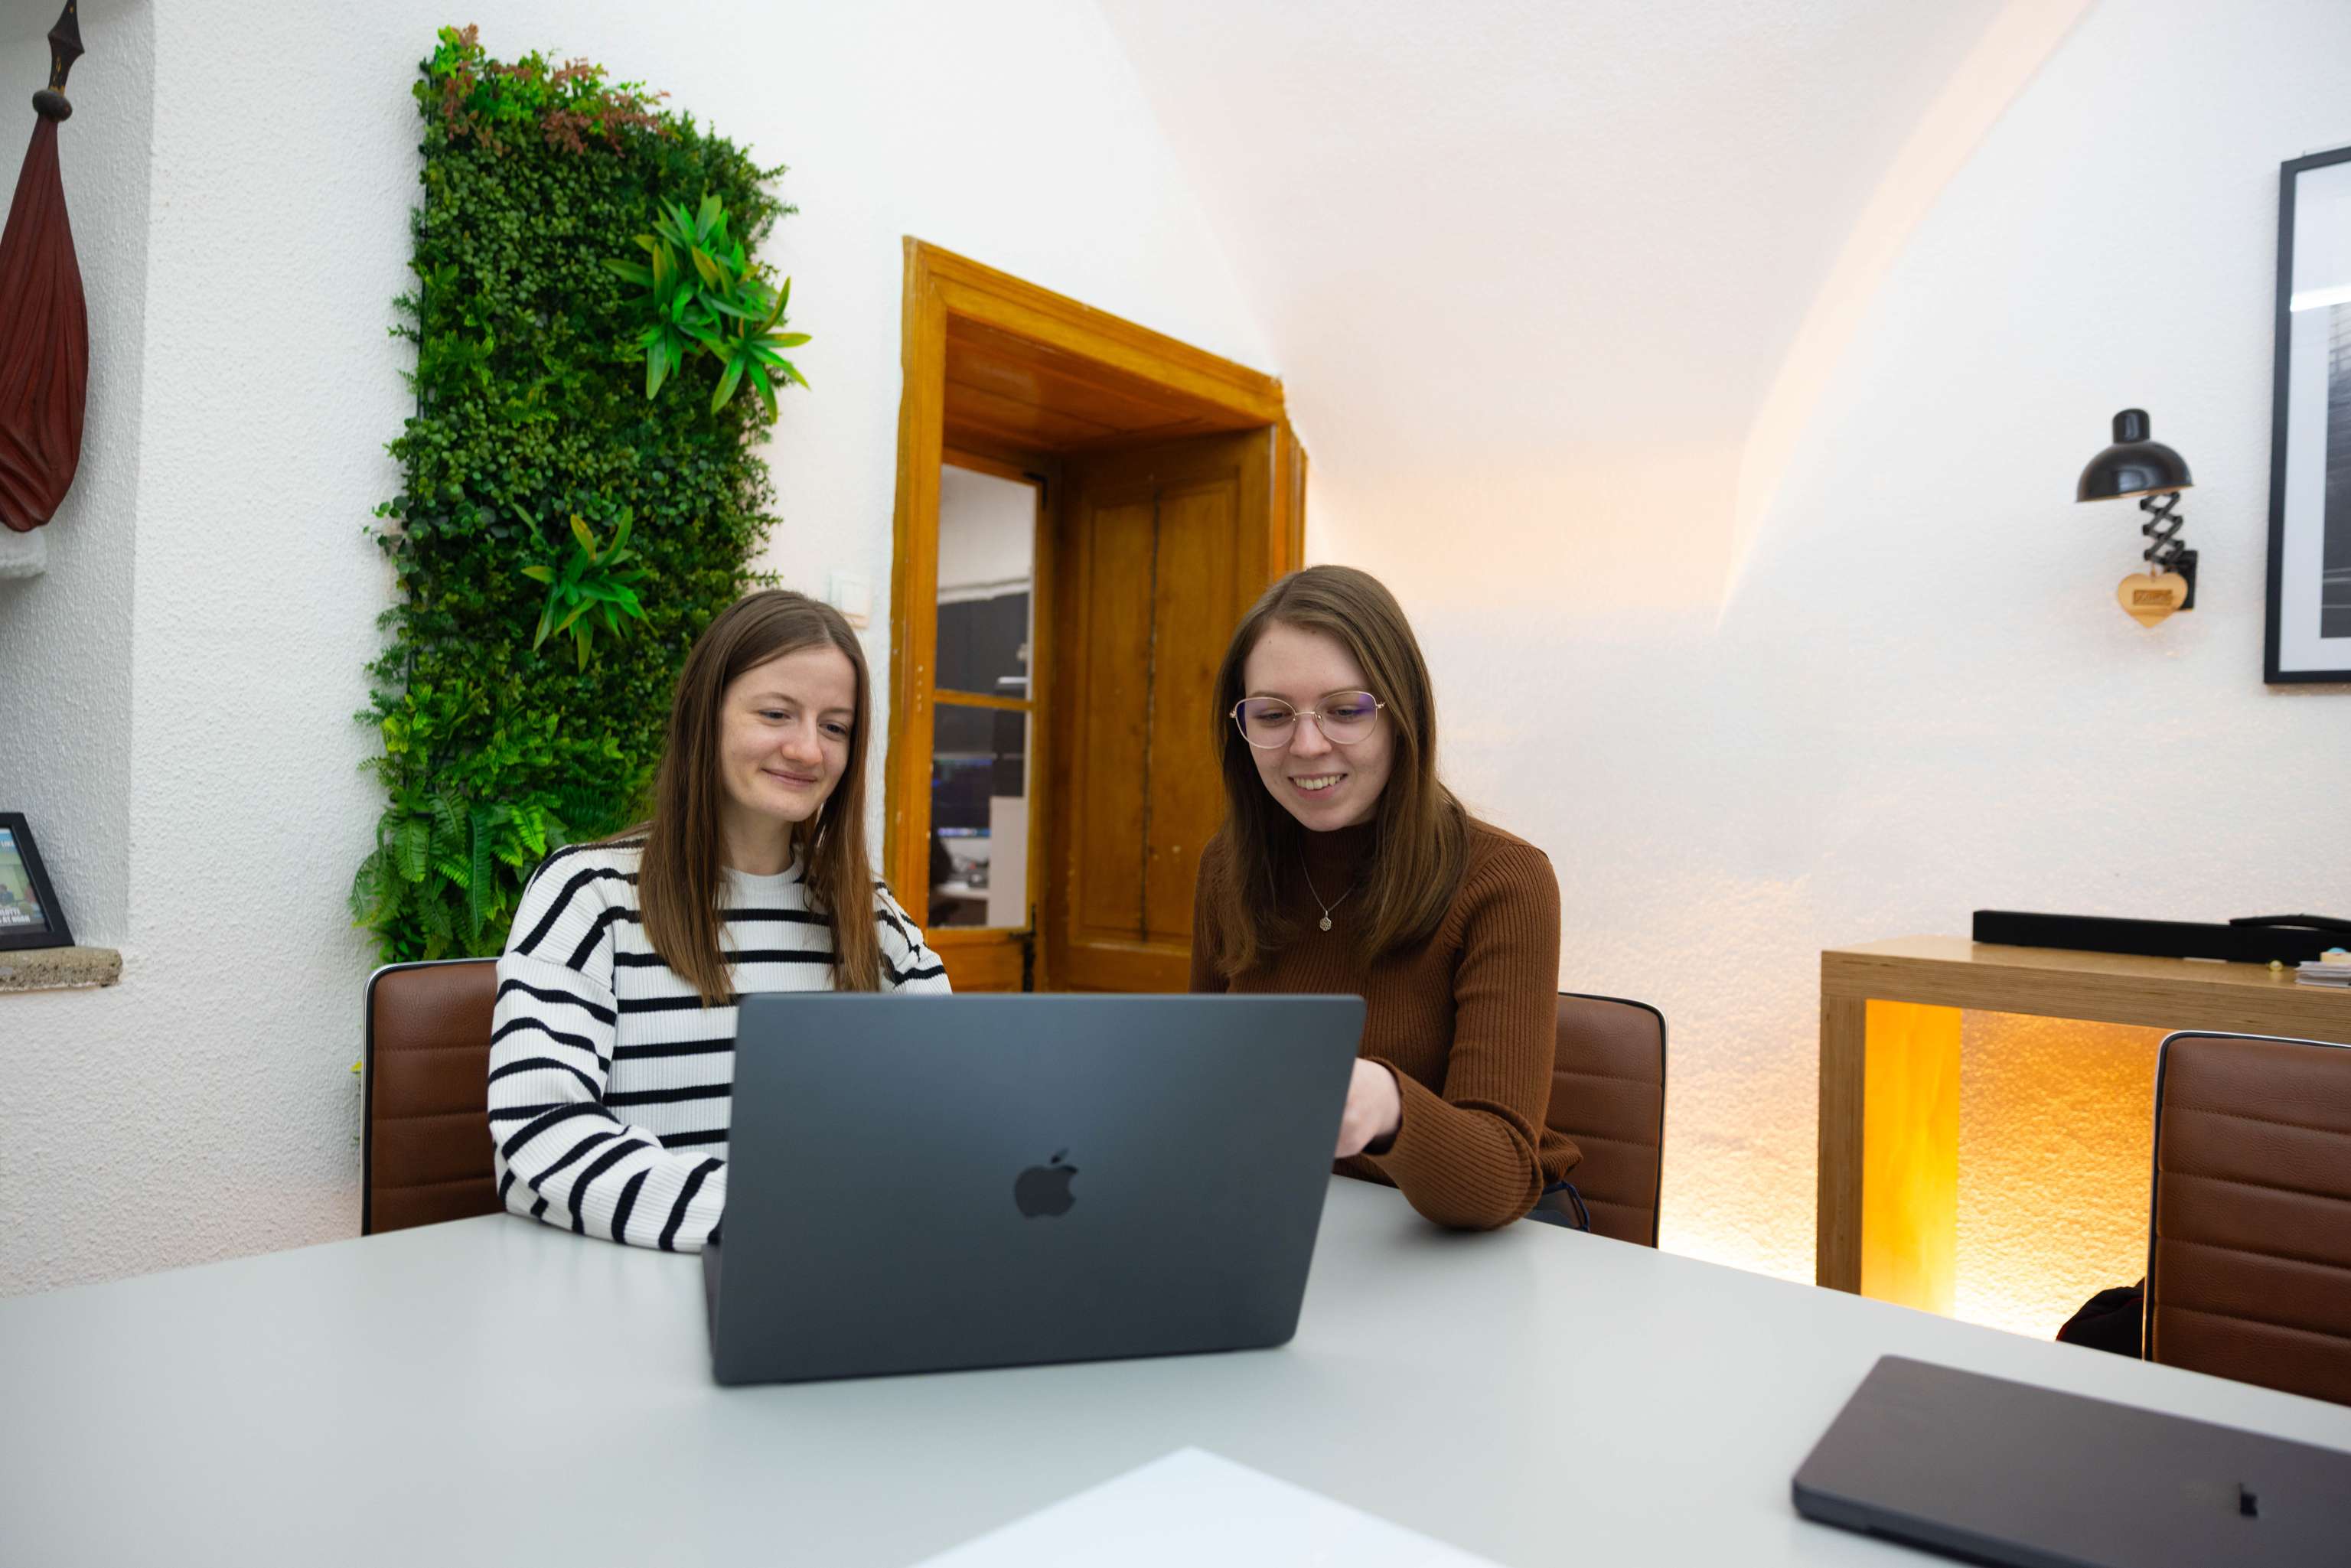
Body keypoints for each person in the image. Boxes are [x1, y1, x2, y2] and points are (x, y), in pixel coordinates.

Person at [487, 589, 949, 1250]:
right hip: (636, 1284)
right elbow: (538, 1138)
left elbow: (950, 1113)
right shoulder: (588, 896)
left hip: (829, 1273)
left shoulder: (870, 914)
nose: (808, 749)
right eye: (776, 713)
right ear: (706, 715)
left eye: (835, 727)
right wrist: (769, 1218)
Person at [1191, 565, 1577, 1230]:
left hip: (1483, 1238)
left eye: (1345, 711)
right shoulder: (1227, 866)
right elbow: (1204, 1099)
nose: (1307, 745)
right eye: (1273, 715)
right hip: (1303, 1218)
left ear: (1402, 714)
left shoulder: (1505, 879)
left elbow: (1501, 1176)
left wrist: (1387, 1105)